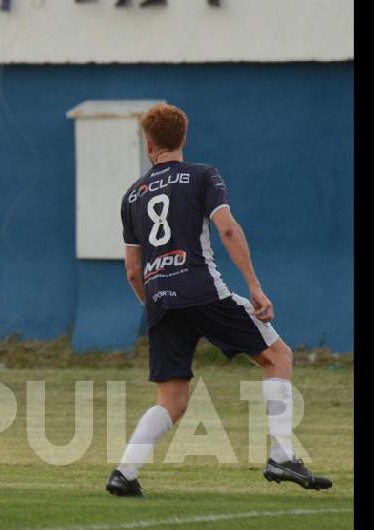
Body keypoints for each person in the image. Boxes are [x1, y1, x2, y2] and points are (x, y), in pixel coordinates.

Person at [107, 103, 332, 496]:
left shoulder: (132, 196)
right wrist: (255, 286)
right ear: (183, 138)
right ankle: (281, 456)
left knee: (172, 400)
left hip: (159, 297)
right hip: (201, 288)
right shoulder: (202, 175)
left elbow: (131, 269)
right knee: (278, 356)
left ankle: (124, 472)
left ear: (148, 145)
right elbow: (226, 229)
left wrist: (155, 306)